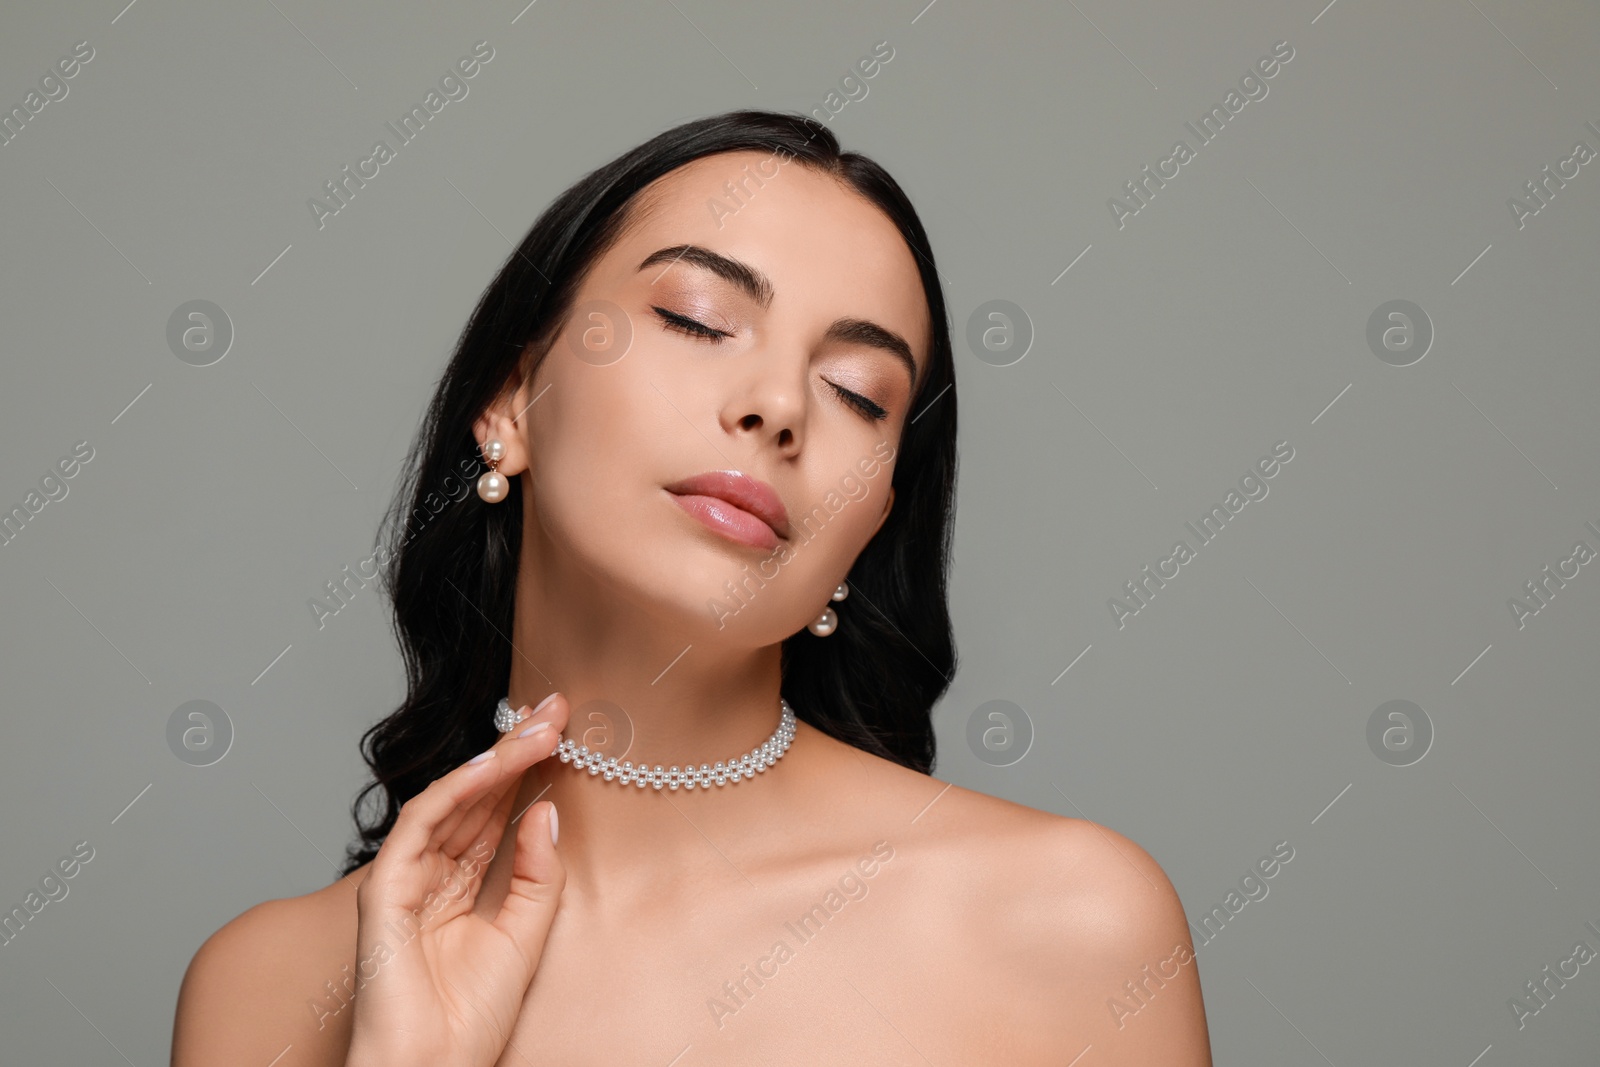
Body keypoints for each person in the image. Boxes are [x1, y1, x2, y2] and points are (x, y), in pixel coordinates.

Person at [171, 109, 1212, 1065]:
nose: (776, 404)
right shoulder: (267, 988)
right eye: (697, 317)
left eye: (856, 392)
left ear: (868, 525)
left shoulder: (1065, 923)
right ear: (511, 401)